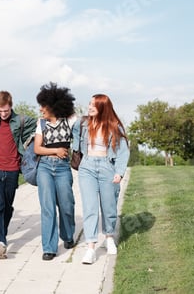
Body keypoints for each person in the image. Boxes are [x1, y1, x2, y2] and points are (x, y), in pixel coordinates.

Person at [0, 91, 36, 259]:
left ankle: (1, 233)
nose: (3, 114)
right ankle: (0, 241)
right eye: (0, 111)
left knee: (7, 207)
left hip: (11, 169)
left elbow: (41, 124)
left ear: (11, 106)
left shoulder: (21, 120)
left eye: (6, 111)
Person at [72, 94, 129, 264]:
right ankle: (90, 248)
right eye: (89, 104)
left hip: (107, 167)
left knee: (108, 205)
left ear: (103, 108)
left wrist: (119, 172)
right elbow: (75, 135)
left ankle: (109, 237)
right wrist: (76, 148)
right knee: (90, 207)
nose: (89, 107)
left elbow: (123, 151)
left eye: (93, 106)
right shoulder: (82, 124)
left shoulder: (114, 127)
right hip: (87, 166)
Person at [33, 82, 77, 261]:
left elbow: (79, 117)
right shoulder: (41, 123)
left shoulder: (69, 120)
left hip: (62, 168)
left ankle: (67, 236)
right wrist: (55, 151)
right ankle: (49, 248)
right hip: (44, 166)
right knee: (47, 207)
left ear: (53, 105)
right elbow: (37, 148)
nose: (41, 109)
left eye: (44, 105)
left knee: (66, 204)